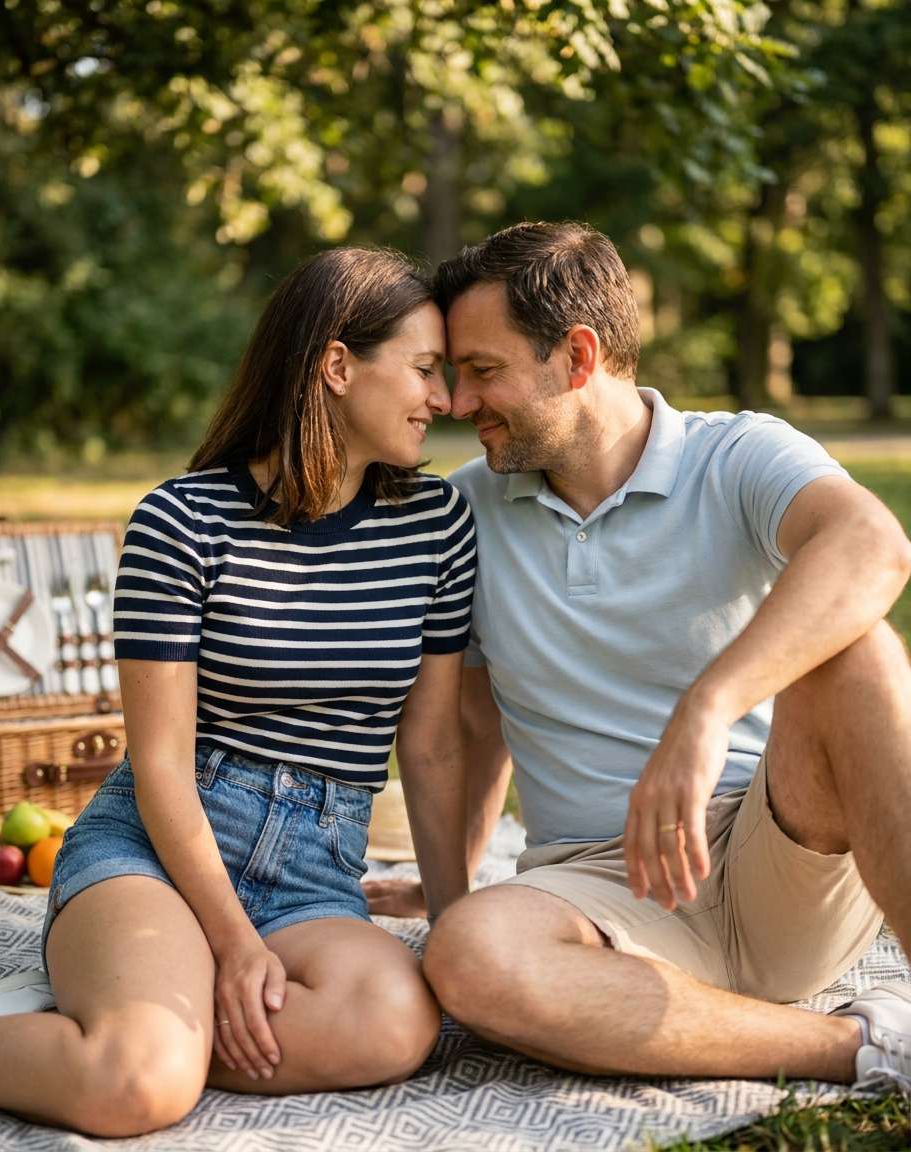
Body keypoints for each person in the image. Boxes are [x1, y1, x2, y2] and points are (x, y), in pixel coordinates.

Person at [369, 221, 911, 1088]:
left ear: (576, 357)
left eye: (482, 370)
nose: (457, 403)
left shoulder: (735, 455)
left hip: (775, 851)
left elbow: (873, 544)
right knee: (468, 955)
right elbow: (473, 729)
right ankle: (866, 1046)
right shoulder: (460, 514)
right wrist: (452, 895)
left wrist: (706, 711)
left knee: (860, 654)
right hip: (600, 894)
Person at [0, 247, 476, 1136]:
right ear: (337, 366)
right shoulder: (180, 521)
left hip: (315, 875)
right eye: (425, 369)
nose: (444, 400)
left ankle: (144, 1017)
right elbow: (162, 764)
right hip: (161, 852)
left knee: (399, 1023)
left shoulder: (436, 528)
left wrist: (455, 922)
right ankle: (136, 1035)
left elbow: (433, 748)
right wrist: (233, 944)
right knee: (137, 1087)